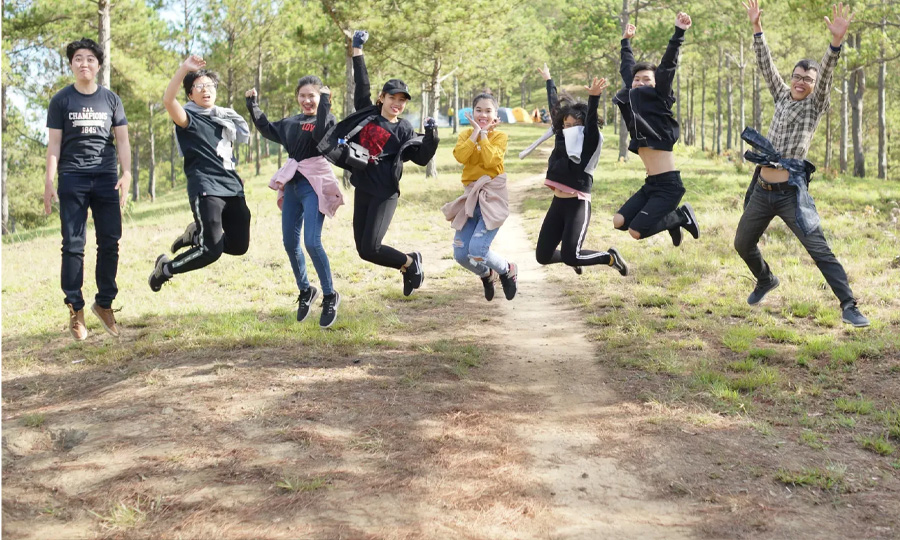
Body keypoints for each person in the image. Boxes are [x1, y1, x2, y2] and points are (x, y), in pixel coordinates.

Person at [734, 1, 868, 327]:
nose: (800, 82)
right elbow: (766, 65)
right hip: (762, 190)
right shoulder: (782, 95)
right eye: (797, 76)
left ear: (813, 83)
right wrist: (756, 28)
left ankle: (849, 305)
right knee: (742, 244)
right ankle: (765, 279)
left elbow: (826, 76)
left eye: (807, 79)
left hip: (791, 194)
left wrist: (834, 44)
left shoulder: (814, 104)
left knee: (819, 248)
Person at [317, 30, 439, 296]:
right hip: (364, 188)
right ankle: (407, 264)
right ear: (382, 97)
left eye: (402, 100)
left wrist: (431, 136)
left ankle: (410, 262)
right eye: (392, 97)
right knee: (363, 251)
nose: (397, 103)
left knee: (372, 247)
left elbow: (420, 157)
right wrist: (357, 48)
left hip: (385, 192)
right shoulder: (368, 114)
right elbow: (362, 83)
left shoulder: (405, 130)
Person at [45, 37, 131, 341]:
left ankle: (104, 303)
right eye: (78, 58)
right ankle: (75, 309)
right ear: (72, 64)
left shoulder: (111, 100)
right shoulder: (61, 101)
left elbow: (121, 139)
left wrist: (128, 173)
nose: (84, 63)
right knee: (73, 244)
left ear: (98, 65)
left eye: (90, 59)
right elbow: (54, 144)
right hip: (72, 178)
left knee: (111, 242)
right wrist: (49, 181)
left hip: (106, 177)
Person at [245, 77, 344, 328]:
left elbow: (322, 137)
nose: (307, 100)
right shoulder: (291, 122)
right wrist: (252, 104)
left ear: (321, 97)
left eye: (312, 95)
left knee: (312, 241)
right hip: (292, 185)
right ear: (297, 97)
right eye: (303, 95)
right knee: (290, 242)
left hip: (313, 184)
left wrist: (325, 107)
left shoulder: (327, 119)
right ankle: (305, 290)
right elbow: (267, 128)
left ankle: (330, 295)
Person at [148, 55, 251, 293]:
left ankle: (196, 234)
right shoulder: (188, 119)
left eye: (210, 86)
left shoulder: (224, 119)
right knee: (210, 251)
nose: (206, 91)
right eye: (199, 87)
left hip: (232, 187)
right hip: (206, 188)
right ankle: (166, 269)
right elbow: (167, 99)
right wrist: (185, 68)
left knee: (239, 246)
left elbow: (224, 153)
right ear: (190, 95)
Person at [612, 13, 700, 247]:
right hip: (651, 183)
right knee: (619, 221)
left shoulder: (659, 97)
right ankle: (672, 222)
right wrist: (625, 42)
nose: (640, 83)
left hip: (669, 185)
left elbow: (668, 65)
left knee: (636, 232)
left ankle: (680, 217)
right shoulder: (632, 99)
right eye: (637, 80)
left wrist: (678, 33)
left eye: (646, 80)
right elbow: (627, 68)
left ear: (656, 84)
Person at [534, 64, 628, 277]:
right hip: (557, 203)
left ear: (583, 126)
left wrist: (594, 98)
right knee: (543, 256)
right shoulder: (562, 136)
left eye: (576, 125)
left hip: (577, 204)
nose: (569, 128)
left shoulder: (589, 142)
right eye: (566, 125)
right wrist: (549, 80)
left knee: (570, 256)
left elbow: (592, 123)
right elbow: (555, 108)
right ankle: (575, 256)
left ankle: (610, 257)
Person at [442, 94, 517, 301]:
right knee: (460, 255)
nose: (483, 114)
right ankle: (486, 274)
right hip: (470, 197)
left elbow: (492, 161)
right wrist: (476, 132)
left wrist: (484, 135)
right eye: (479, 110)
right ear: (472, 112)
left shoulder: (499, 137)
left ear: (495, 114)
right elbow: (460, 156)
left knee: (477, 249)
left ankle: (507, 269)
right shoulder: (466, 134)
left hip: (492, 197)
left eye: (488, 111)